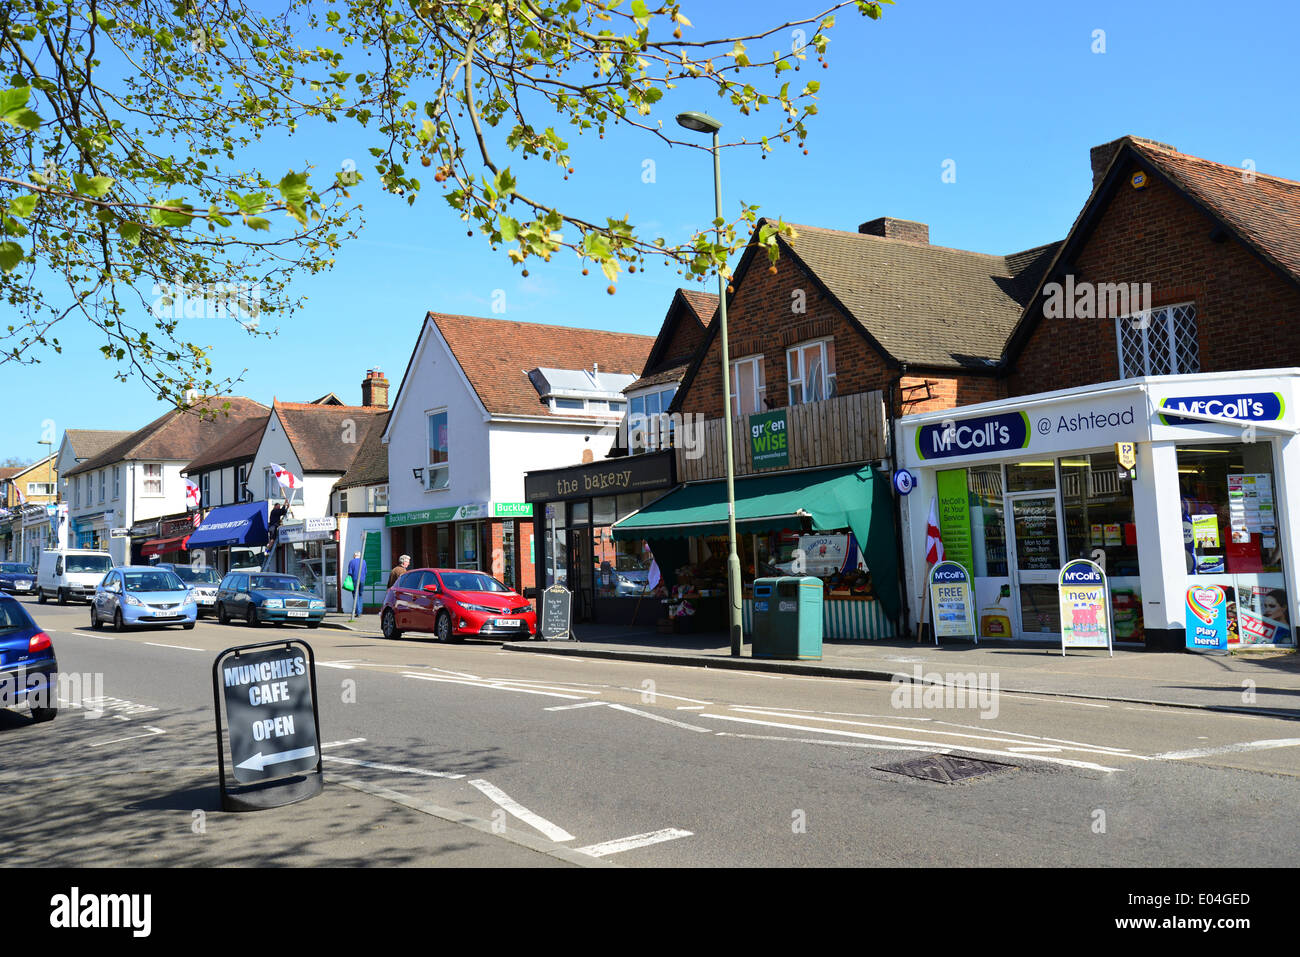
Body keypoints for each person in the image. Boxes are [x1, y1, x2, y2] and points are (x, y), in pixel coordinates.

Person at [345, 550, 367, 619]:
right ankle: (360, 611)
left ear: (354, 556)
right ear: (360, 556)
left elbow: (350, 573)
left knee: (355, 595)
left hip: (355, 580)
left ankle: (358, 612)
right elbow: (366, 571)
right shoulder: (363, 561)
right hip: (362, 580)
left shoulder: (351, 562)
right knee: (360, 595)